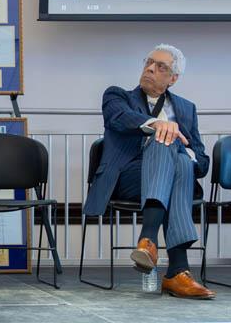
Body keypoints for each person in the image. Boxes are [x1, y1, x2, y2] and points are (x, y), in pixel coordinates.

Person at [83, 44, 213, 299]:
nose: (151, 68)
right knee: (163, 140)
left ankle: (149, 244)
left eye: (160, 67)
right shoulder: (117, 96)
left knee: (182, 161)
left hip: (174, 177)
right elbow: (119, 118)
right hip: (128, 178)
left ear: (173, 78)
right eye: (149, 63)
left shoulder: (187, 108)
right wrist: (159, 125)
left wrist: (178, 147)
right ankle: (176, 269)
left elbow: (203, 162)